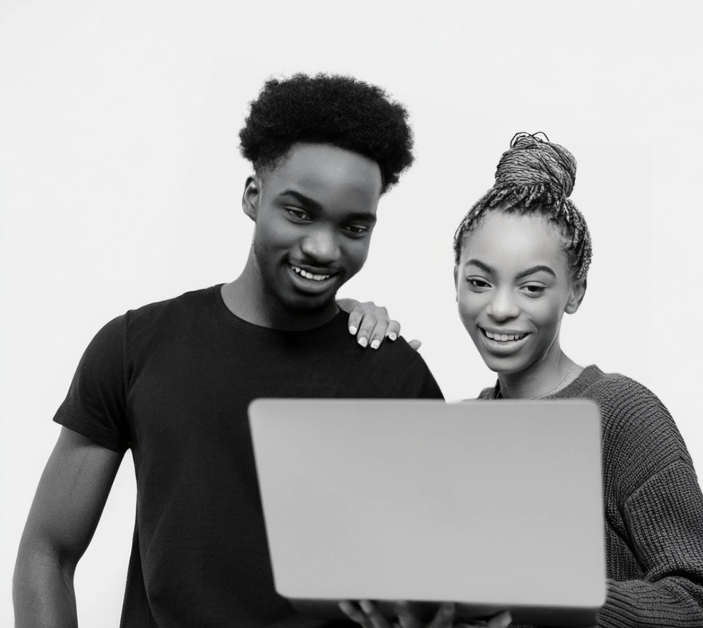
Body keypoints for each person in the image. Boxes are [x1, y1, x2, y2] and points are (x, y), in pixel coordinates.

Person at [13, 73, 441, 628]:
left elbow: (436, 586)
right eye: (300, 212)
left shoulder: (393, 373)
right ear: (252, 196)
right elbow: (47, 552)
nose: (323, 247)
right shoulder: (135, 347)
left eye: (353, 226)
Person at [344, 133, 703, 628]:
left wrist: (552, 599)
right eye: (479, 282)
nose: (502, 308)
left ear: (575, 291)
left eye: (532, 286)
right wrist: (350, 357)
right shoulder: (453, 426)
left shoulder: (622, 415)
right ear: (455, 280)